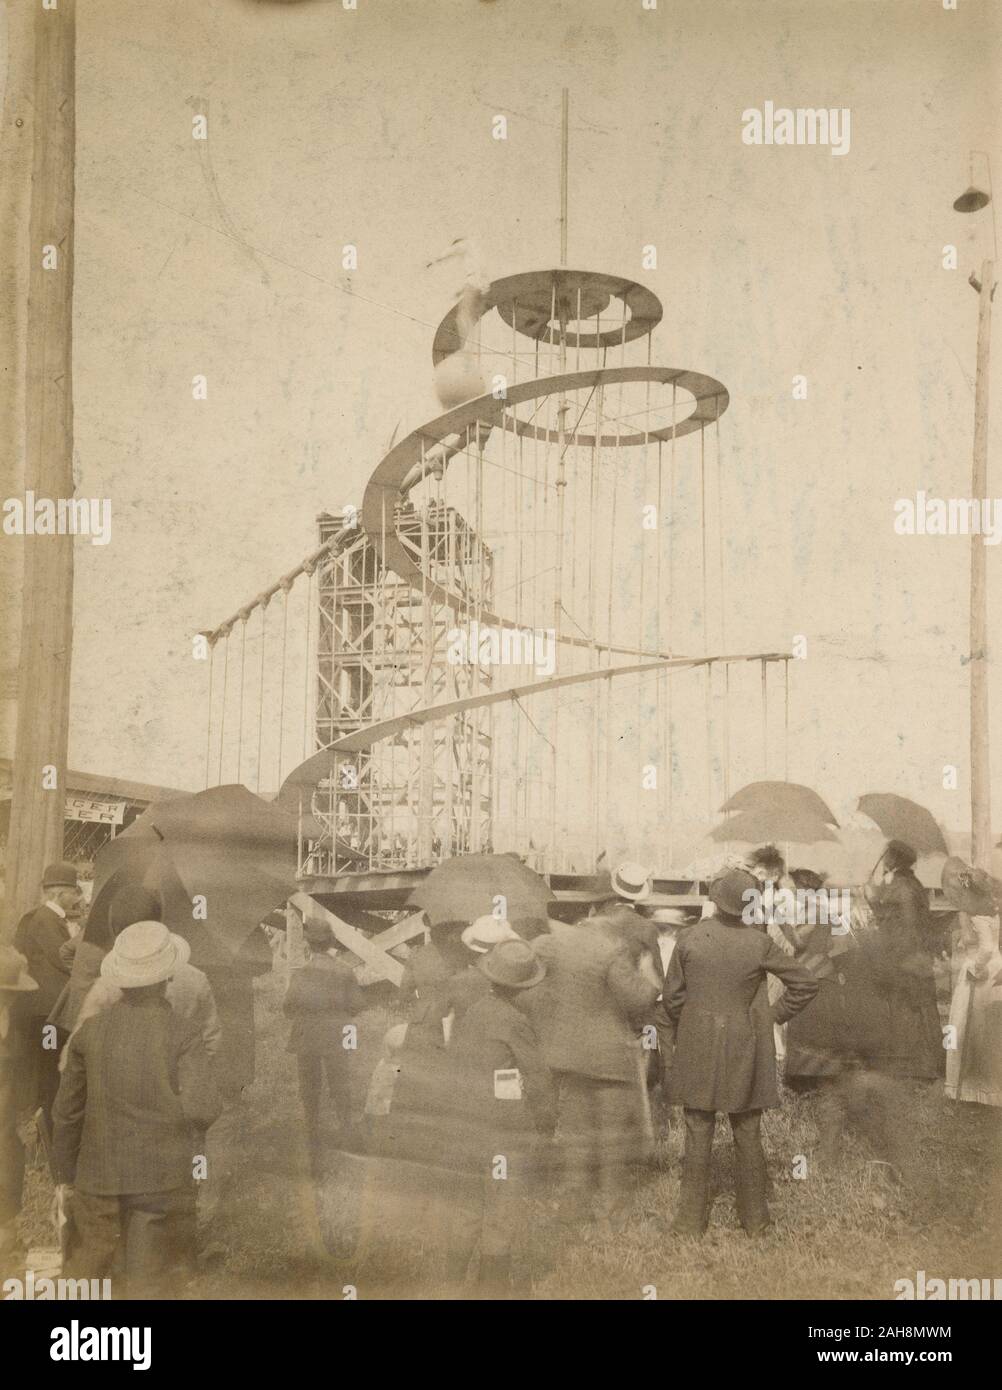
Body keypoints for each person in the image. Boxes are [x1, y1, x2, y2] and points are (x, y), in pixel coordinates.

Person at [52, 922, 220, 1299]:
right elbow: (202, 1107)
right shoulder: (184, 1032)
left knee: (86, 1282)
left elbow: (67, 1113)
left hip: (97, 1179)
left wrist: (64, 1175)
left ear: (119, 980)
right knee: (150, 1284)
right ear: (167, 978)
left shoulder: (89, 1032)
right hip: (161, 1181)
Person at [663, 868, 819, 1237]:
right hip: (744, 1045)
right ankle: (756, 1221)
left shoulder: (688, 938)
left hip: (699, 1041)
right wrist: (770, 1017)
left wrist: (692, 1019)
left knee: (698, 1128)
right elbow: (806, 983)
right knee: (747, 1130)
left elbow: (671, 1000)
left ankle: (688, 1223)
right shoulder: (758, 943)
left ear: (714, 901)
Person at [534, 910, 660, 1232]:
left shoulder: (556, 944)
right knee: (612, 1140)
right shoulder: (611, 950)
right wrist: (647, 973)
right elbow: (638, 1000)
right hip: (608, 1062)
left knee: (576, 1137)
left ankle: (571, 1206)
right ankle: (611, 1215)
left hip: (568, 1057)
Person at [445, 939, 555, 1295]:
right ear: (523, 986)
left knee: (465, 1208)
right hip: (502, 1135)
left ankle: (449, 1287)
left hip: (465, 1128)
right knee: (501, 1213)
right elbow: (539, 1081)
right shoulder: (515, 1021)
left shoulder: (473, 1012)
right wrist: (545, 1128)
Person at [284, 919, 365, 1168]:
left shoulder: (300, 973)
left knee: (309, 1086)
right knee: (340, 1083)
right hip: (336, 1036)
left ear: (309, 944)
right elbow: (356, 1006)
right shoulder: (344, 971)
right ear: (331, 942)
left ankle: (311, 1131)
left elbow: (288, 1008)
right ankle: (346, 1130)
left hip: (307, 1036)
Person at [864, 839, 945, 1080]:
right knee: (915, 1009)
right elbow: (891, 919)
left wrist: (874, 900)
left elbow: (907, 926)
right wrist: (872, 898)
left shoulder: (903, 886)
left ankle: (920, 1068)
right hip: (909, 956)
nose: (884, 859)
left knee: (913, 1009)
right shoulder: (907, 883)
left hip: (906, 957)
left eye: (886, 855)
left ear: (894, 859)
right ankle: (921, 1066)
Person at [14, 861, 83, 1128]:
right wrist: (77, 938)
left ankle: (43, 1122)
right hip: (47, 1015)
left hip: (47, 1013)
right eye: (73, 892)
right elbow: (63, 959)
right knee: (48, 1068)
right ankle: (46, 1126)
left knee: (47, 1065)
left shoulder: (47, 918)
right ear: (58, 893)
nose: (77, 897)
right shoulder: (44, 919)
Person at [941, 856, 1002, 1107]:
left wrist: (975, 969)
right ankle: (990, 1088)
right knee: (988, 1032)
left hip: (978, 975)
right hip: (995, 969)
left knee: (966, 1029)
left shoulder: (969, 914)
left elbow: (985, 948)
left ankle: (969, 1088)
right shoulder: (993, 911)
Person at [0, 946, 38, 1272]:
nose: (10, 999)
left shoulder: (8, 1017)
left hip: (5, 1123)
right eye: (6, 993)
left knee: (9, 1162)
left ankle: (7, 1239)